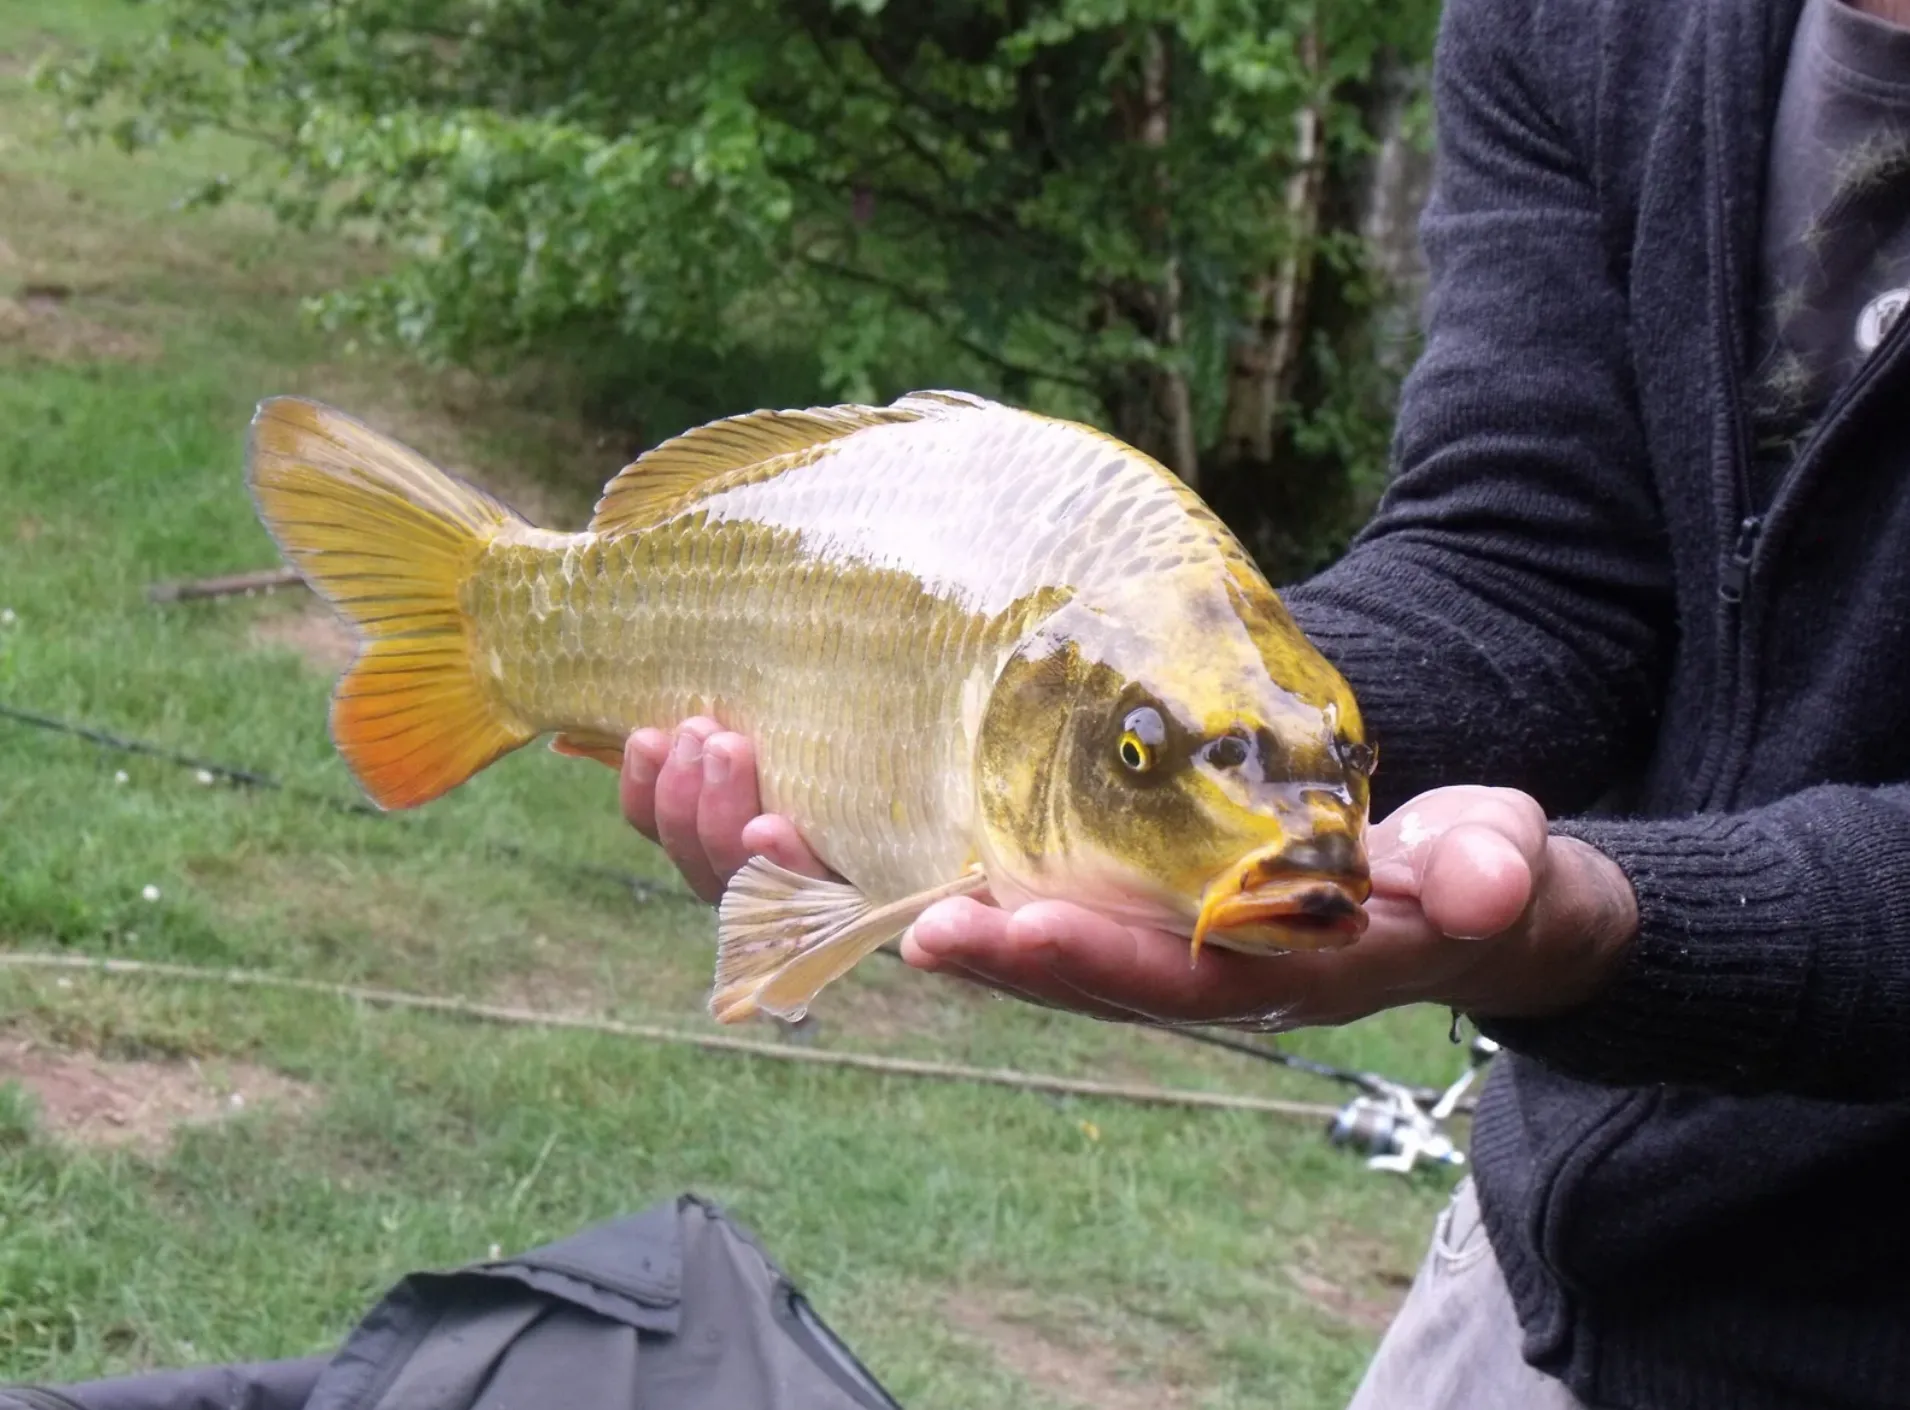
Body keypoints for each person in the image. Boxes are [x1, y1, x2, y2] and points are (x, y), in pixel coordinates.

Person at [616, 0, 1910, 1404]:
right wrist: (1230, 724)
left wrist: (1625, 929)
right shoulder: (1573, 19)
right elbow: (1531, 563)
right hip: (1569, 1256)